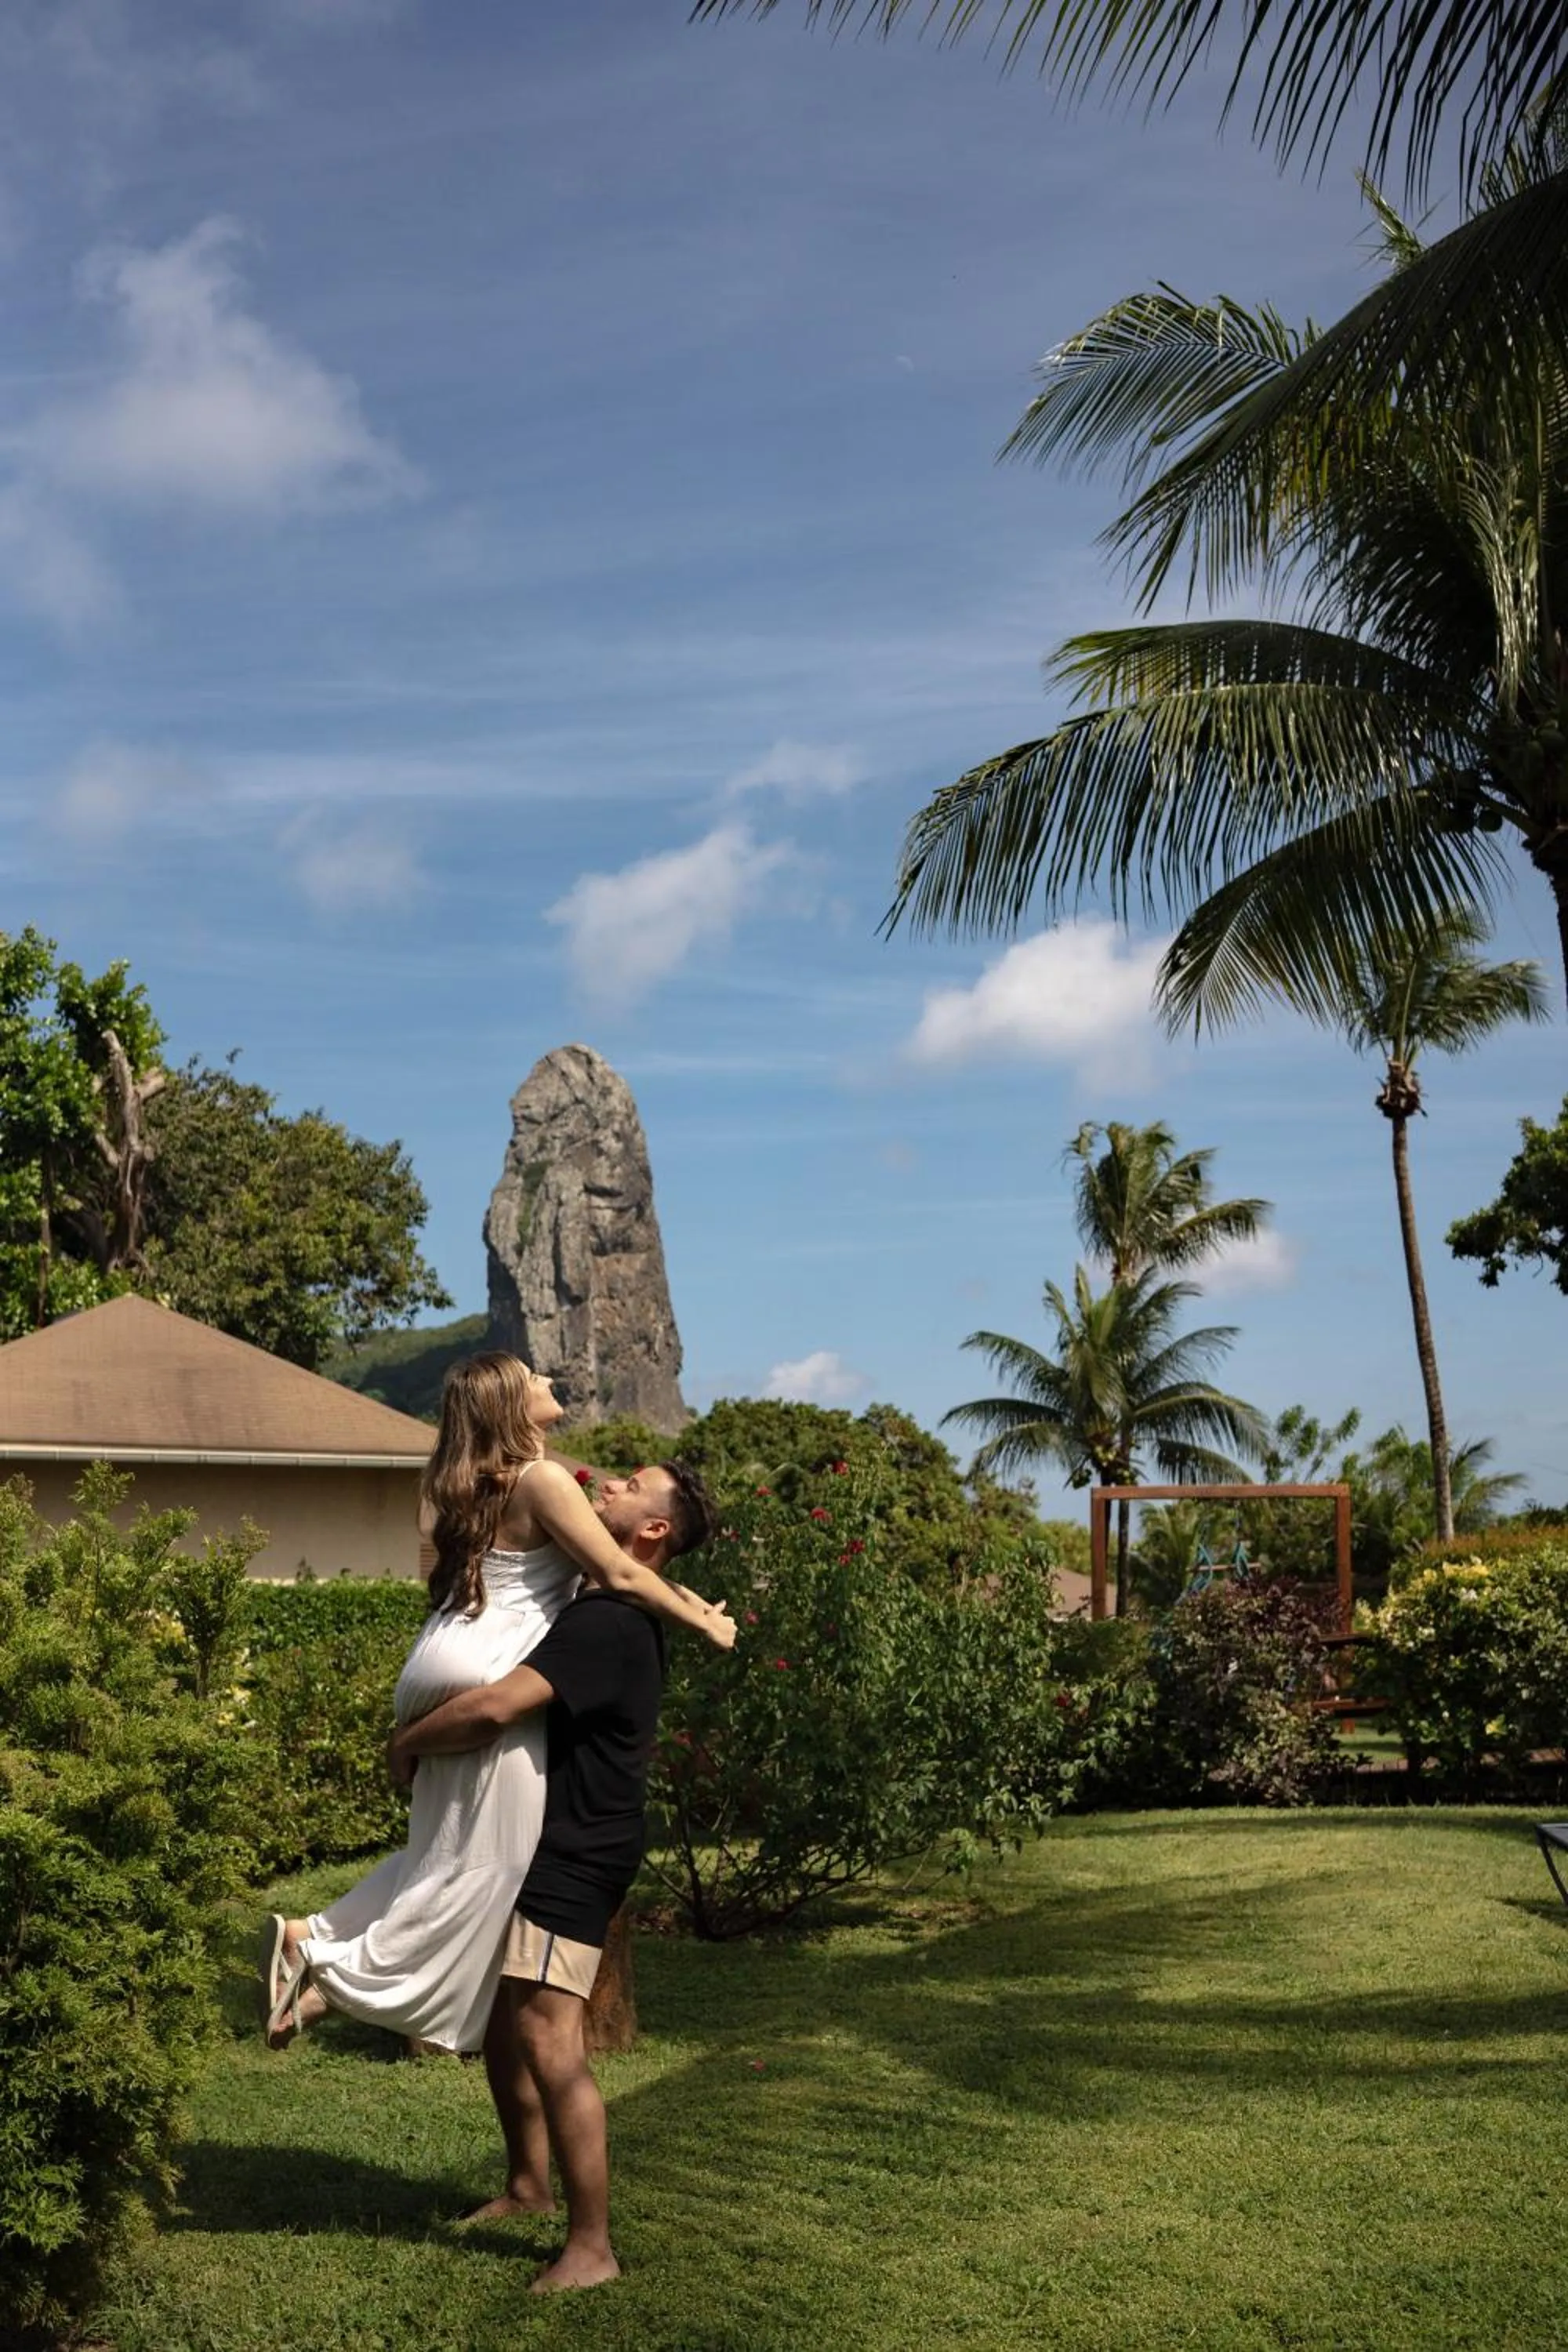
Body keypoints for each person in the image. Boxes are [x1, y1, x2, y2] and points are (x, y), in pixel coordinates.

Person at [258, 1354, 733, 2054]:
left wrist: (691, 1601)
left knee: (442, 1851)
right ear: (511, 1404)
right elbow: (620, 1569)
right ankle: (329, 1963)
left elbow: (627, 1569)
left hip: (442, 1657)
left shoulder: (485, 1483)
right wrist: (703, 1624)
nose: (546, 1378)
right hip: (484, 1675)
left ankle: (314, 1941)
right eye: (532, 1377)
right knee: (491, 1870)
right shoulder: (542, 1479)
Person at [385, 1455, 717, 2294]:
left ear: (652, 1532)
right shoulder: (595, 1601)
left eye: (627, 1486)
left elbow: (497, 1705)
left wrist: (408, 1741)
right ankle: (528, 2188)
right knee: (506, 2021)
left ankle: (592, 2247)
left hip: (573, 1849)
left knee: (549, 2038)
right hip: (545, 1838)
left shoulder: (605, 1624)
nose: (602, 1485)